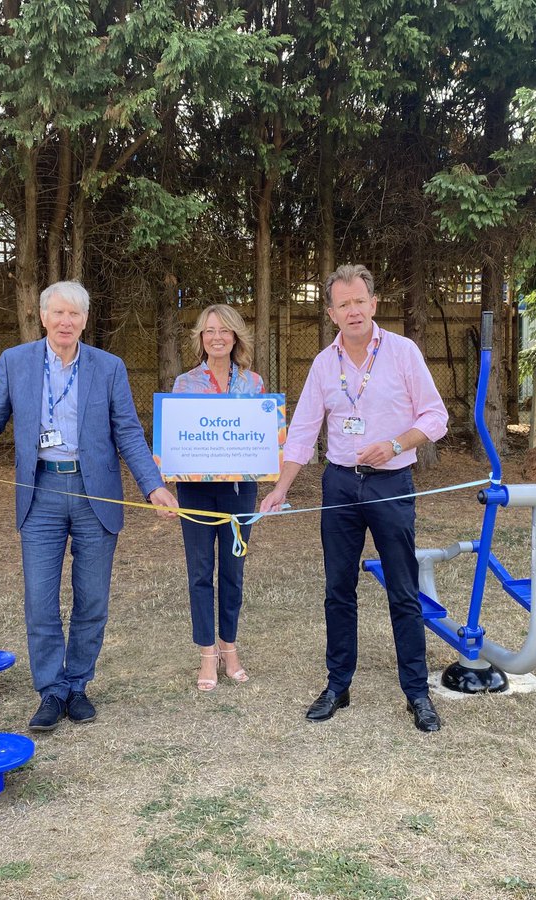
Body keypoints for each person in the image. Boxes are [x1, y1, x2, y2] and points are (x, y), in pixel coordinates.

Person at [0, 281, 177, 732]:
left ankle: (78, 685)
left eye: (75, 315)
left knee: (92, 599)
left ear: (85, 320)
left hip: (93, 494)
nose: (66, 322)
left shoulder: (109, 367)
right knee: (40, 601)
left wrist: (152, 486)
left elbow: (128, 431)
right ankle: (50, 690)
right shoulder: (16, 361)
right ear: (43, 317)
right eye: (58, 313)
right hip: (40, 493)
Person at [258, 264, 448, 733]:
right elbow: (302, 431)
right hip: (339, 485)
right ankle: (337, 685)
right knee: (337, 590)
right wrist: (280, 489)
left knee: (403, 591)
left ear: (374, 304)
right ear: (332, 314)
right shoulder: (325, 364)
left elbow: (436, 416)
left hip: (390, 483)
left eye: (360, 301)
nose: (353, 310)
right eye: (343, 304)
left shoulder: (403, 353)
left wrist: (397, 444)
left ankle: (417, 694)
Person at [171, 305, 265, 692]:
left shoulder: (254, 385)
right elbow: (174, 438)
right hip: (194, 488)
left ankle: (230, 647)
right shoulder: (184, 384)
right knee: (199, 572)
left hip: (240, 490)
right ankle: (207, 652)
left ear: (236, 337)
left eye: (224, 331)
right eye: (209, 331)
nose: (217, 337)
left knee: (233, 571)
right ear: (200, 337)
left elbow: (264, 438)